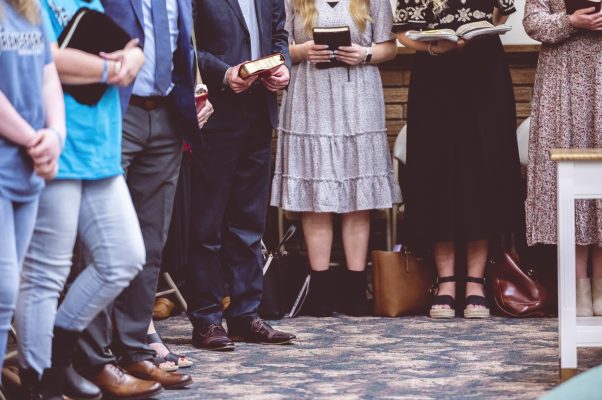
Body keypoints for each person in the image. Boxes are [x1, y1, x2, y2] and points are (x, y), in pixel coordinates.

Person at [72, 0, 212, 397]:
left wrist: (195, 89)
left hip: (168, 115)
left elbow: (182, 43)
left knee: (150, 241)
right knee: (100, 242)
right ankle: (94, 357)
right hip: (115, 111)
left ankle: (134, 348)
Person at [13, 0, 150, 398]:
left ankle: (55, 358)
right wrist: (112, 68)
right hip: (55, 146)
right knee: (46, 273)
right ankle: (39, 379)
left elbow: (123, 41)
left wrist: (133, 56)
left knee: (123, 258)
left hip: (101, 146)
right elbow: (43, 59)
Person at [270, 0, 400, 317]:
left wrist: (364, 54)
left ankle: (356, 291)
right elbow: (275, 46)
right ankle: (322, 292)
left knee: (358, 197)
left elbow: (390, 46)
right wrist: (300, 52)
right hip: (308, 95)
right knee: (317, 197)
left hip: (359, 96)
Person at [394, 0, 522, 319]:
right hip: (435, 75)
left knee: (482, 171)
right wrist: (432, 49)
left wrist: (483, 31)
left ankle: (476, 282)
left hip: (485, 73)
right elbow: (401, 33)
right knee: (437, 172)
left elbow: (503, 12)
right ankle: (446, 282)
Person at [187, 0, 296, 350]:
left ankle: (246, 315)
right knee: (208, 225)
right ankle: (206, 319)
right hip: (216, 114)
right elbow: (185, 46)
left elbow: (279, 35)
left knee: (249, 224)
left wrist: (283, 67)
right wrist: (223, 72)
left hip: (259, 114)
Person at [523, 0, 602, 316]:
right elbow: (533, 22)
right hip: (563, 81)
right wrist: (571, 20)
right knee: (571, 181)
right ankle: (576, 287)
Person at [0, 0, 64, 376]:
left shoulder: (29, 8)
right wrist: (33, 139)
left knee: (10, 290)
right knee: (4, 289)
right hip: (13, 158)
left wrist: (55, 135)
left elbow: (47, 75)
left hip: (28, 169)